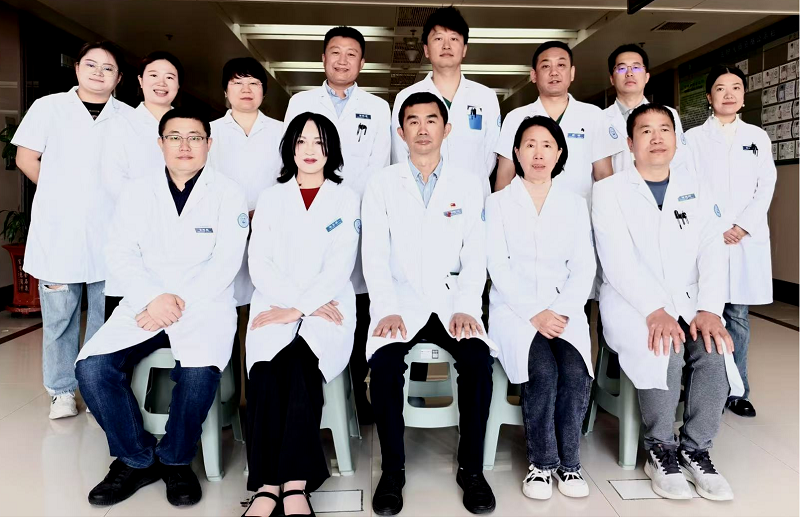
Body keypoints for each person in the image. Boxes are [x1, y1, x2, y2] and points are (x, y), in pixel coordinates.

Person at [74, 107, 248, 508]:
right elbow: (120, 252)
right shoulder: (137, 192)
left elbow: (226, 262)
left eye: (194, 137)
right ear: (160, 143)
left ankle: (175, 459)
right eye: (175, 137)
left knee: (199, 373)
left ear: (209, 144)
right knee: (92, 369)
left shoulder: (228, 192)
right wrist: (153, 298)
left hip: (203, 305)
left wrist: (176, 303)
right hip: (144, 302)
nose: (185, 146)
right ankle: (136, 458)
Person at [593, 103, 743, 501]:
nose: (656, 137)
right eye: (645, 131)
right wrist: (654, 310)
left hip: (690, 300)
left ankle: (696, 449)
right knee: (666, 347)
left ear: (676, 140)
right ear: (630, 143)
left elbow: (713, 253)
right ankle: (660, 448)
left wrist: (710, 310)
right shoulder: (608, 191)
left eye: (664, 129)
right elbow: (617, 260)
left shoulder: (698, 189)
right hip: (631, 303)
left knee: (714, 349)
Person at [362, 92, 496, 516]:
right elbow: (374, 254)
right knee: (385, 367)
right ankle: (393, 471)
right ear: (400, 132)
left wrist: (467, 305)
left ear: (446, 128)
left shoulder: (468, 183)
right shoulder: (382, 184)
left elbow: (476, 253)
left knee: (478, 363)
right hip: (399, 301)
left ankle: (471, 470)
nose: (422, 129)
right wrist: (386, 307)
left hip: (452, 299)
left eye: (431, 120)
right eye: (413, 121)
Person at [242, 113, 360, 518]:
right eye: (302, 142)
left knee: (300, 364)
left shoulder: (345, 198)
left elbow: (340, 262)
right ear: (290, 148)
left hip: (329, 304)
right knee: (265, 372)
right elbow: (259, 261)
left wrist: (301, 308)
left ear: (331, 150)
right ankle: (266, 484)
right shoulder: (271, 198)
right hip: (273, 303)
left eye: (319, 142)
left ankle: (294, 482)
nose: (310, 150)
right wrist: (294, 305)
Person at [12, 41, 134, 420]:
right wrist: (59, 194)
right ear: (77, 68)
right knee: (60, 318)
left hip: (112, 235)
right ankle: (61, 391)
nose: (99, 73)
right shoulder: (49, 107)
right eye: (91, 65)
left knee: (104, 319)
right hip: (59, 234)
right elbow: (26, 157)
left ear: (119, 78)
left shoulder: (129, 118)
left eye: (108, 68)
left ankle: (96, 388)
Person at [282, 26, 392, 424]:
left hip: (360, 221)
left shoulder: (378, 107)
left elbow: (380, 167)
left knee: (357, 307)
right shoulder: (300, 102)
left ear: (362, 62)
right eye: (335, 52)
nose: (342, 60)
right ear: (323, 58)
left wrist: (367, 216)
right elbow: (292, 159)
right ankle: (310, 389)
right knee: (314, 302)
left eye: (351, 54)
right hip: (310, 220)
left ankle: (355, 390)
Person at [486, 116, 595, 500]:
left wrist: (561, 310)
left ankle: (570, 463)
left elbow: (584, 266)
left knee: (575, 370)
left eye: (547, 145)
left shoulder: (574, 204)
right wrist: (534, 312)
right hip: (514, 311)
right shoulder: (497, 203)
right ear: (516, 152)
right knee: (543, 371)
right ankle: (542, 464)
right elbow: (497, 265)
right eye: (529, 144)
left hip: (564, 309)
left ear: (559, 153)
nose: (538, 153)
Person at [685, 65, 776, 418]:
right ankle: (703, 386)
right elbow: (689, 187)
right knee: (703, 310)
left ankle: (738, 392)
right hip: (707, 236)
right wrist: (717, 227)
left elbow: (765, 186)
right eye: (720, 88)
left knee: (737, 314)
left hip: (744, 239)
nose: (728, 94)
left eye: (736, 87)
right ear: (709, 97)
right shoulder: (693, 138)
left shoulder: (758, 136)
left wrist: (742, 226)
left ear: (743, 96)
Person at [103, 51, 185, 319]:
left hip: (183, 226)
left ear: (178, 84)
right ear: (140, 80)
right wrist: (150, 211)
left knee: (181, 309)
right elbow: (113, 178)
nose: (161, 83)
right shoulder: (120, 123)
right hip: (136, 227)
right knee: (132, 315)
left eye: (169, 77)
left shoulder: (189, 124)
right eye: (153, 75)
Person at [390, 6, 500, 196]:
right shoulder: (406, 97)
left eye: (454, 39)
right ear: (426, 50)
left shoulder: (486, 97)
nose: (446, 46)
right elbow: (400, 154)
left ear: (464, 49)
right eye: (438, 38)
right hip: (421, 198)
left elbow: (489, 156)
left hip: (472, 198)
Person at [495, 41, 623, 193]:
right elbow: (504, 177)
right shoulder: (516, 118)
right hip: (526, 207)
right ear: (534, 75)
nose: (554, 72)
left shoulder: (594, 115)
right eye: (546, 66)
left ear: (572, 72)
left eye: (561, 65)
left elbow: (603, 176)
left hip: (580, 207)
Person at [209, 57, 284, 308]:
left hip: (271, 225)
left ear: (264, 90)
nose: (246, 89)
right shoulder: (209, 132)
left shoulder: (283, 131)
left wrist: (263, 212)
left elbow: (291, 178)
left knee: (267, 300)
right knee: (223, 300)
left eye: (253, 83)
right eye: (237, 83)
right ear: (225, 91)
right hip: (221, 226)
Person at [605, 43, 688, 172]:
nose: (629, 73)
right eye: (621, 68)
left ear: (647, 77)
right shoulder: (599, 119)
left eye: (636, 68)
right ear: (612, 79)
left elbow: (681, 160)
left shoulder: (669, 114)